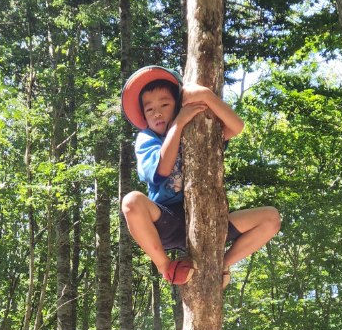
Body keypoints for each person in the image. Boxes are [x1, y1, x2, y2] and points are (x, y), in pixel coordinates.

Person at [120, 65, 281, 287]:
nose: (157, 113)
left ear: (178, 105)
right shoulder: (147, 138)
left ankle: (223, 264)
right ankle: (165, 266)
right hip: (167, 218)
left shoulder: (197, 131)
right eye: (149, 109)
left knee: (271, 218)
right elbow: (162, 170)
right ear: (145, 118)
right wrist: (178, 123)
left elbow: (236, 126)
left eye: (165, 104)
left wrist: (205, 96)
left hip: (207, 215)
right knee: (131, 202)